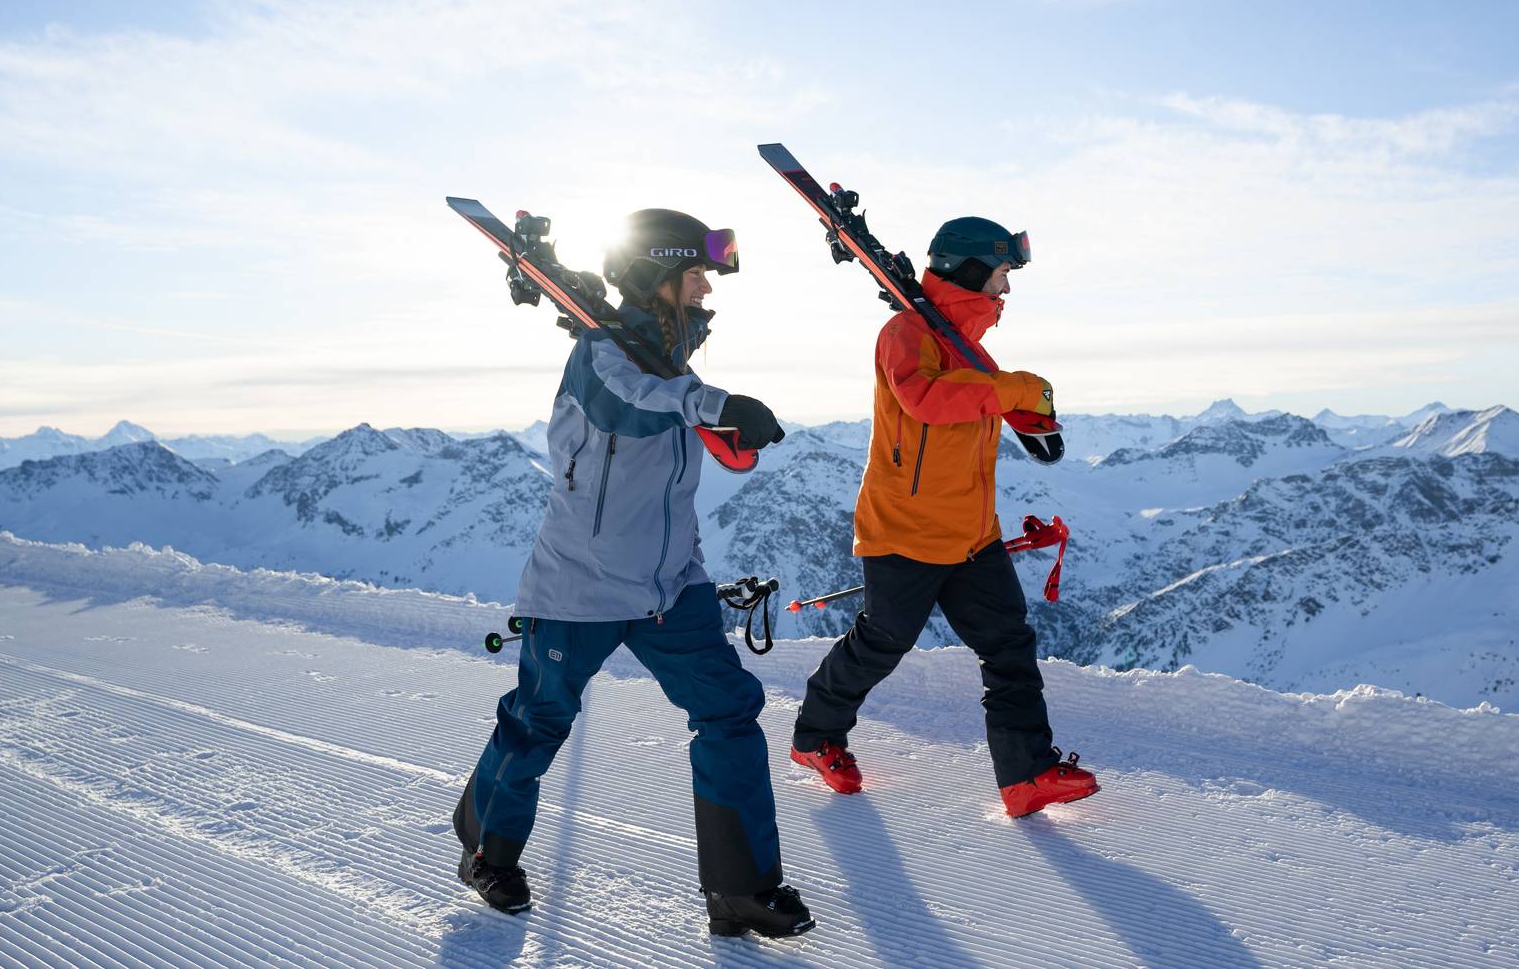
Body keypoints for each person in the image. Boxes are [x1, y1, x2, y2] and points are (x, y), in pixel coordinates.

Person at [453, 208, 814, 938]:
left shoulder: (672, 369)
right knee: (537, 723)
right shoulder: (603, 359)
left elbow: (670, 489)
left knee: (728, 712)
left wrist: (696, 572)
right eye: (696, 276)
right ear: (658, 277)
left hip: (669, 588)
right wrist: (715, 404)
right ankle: (486, 850)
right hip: (578, 587)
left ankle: (741, 888)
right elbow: (627, 407)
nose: (708, 291)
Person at [789, 216, 1099, 818]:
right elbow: (925, 400)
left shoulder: (971, 348)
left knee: (1008, 645)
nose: (1006, 289)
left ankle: (1026, 776)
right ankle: (814, 738)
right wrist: (1010, 391)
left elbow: (976, 397)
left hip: (971, 533)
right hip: (904, 530)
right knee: (883, 642)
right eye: (1002, 273)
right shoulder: (905, 332)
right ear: (971, 268)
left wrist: (1029, 419)